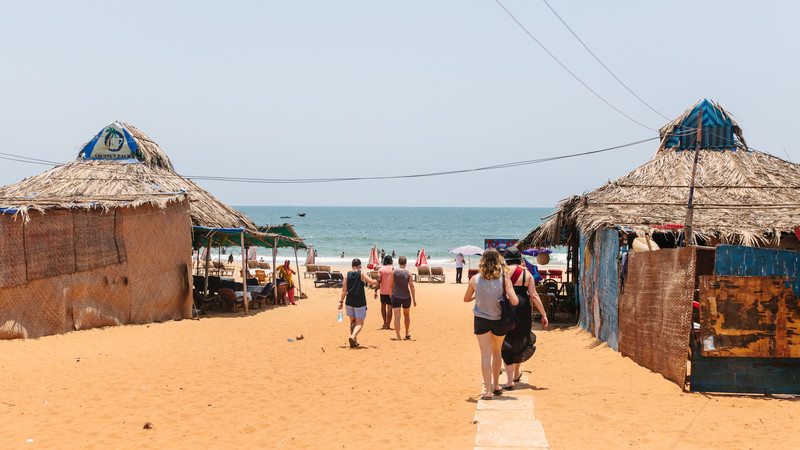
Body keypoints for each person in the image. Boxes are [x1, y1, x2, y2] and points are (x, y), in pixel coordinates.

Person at [463, 248, 517, 400]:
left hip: (481, 320)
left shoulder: (475, 279)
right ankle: (496, 385)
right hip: (499, 320)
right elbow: (515, 301)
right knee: (497, 352)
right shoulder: (504, 279)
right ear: (499, 260)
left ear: (483, 261)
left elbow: (466, 299)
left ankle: (487, 391)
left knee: (485, 355)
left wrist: (477, 298)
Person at [500, 247, 548, 390]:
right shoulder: (527, 274)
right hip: (523, 308)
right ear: (519, 258)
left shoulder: (502, 273)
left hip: (506, 308)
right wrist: (544, 314)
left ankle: (509, 380)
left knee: (505, 339)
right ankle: (516, 373)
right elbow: (534, 295)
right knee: (521, 338)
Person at [340, 258, 378, 348]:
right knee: (360, 322)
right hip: (359, 302)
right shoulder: (361, 273)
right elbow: (370, 282)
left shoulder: (346, 274)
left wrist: (340, 301)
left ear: (352, 265)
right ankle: (352, 337)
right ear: (358, 266)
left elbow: (344, 289)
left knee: (352, 322)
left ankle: (355, 342)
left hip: (349, 302)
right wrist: (378, 282)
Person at [389, 256, 416, 340]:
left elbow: (391, 284)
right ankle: (407, 332)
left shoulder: (394, 272)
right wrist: (414, 298)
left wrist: (390, 293)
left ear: (398, 262)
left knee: (397, 316)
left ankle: (398, 336)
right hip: (406, 297)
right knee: (406, 315)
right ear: (406, 263)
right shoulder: (408, 273)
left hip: (396, 296)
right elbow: (412, 286)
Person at [375, 255, 394, 329]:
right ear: (391, 261)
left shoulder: (381, 269)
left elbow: (378, 281)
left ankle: (385, 323)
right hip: (391, 292)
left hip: (383, 291)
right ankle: (388, 325)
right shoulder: (394, 269)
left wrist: (375, 290)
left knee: (383, 307)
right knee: (390, 308)